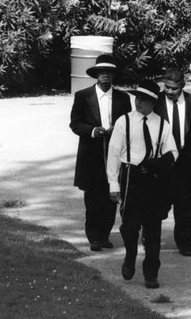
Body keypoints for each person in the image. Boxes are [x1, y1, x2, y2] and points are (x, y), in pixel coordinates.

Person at [107, 80, 178, 289]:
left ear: (153, 103)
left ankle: (151, 272)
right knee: (129, 227)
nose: (138, 102)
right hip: (131, 176)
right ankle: (130, 256)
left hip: (153, 179)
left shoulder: (162, 124)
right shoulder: (124, 122)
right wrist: (113, 183)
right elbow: (113, 152)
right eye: (137, 98)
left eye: (144, 99)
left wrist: (160, 162)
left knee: (153, 228)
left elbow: (173, 152)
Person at [70, 54, 132, 252]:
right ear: (96, 75)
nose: (105, 76)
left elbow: (129, 122)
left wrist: (118, 130)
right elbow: (75, 123)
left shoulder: (122, 98)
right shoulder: (83, 96)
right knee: (93, 195)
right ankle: (94, 236)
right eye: (101, 72)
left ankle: (105, 234)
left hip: (114, 152)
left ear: (114, 75)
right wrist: (94, 131)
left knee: (111, 194)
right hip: (92, 152)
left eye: (109, 73)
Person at [154, 67, 191, 257]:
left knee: (184, 205)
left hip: (185, 162)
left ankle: (185, 242)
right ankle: (150, 238)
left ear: (183, 86)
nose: (169, 92)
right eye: (167, 87)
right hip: (161, 161)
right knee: (156, 203)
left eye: (174, 89)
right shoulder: (155, 102)